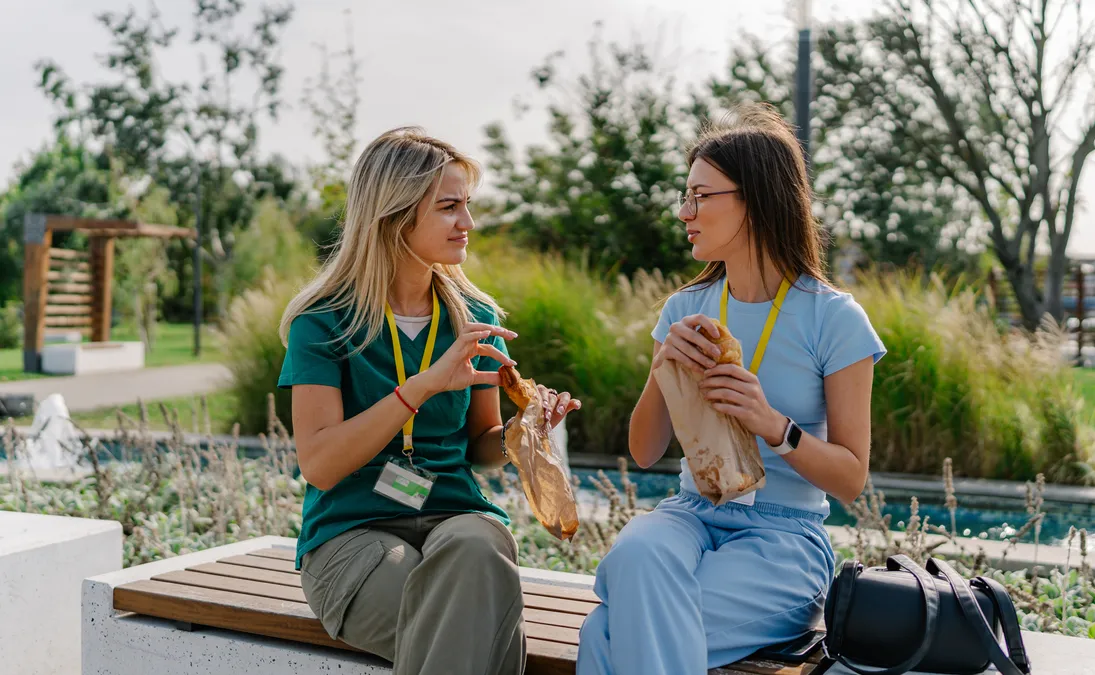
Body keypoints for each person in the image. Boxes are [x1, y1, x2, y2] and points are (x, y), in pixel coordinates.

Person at [576, 104, 886, 674]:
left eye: (700, 196)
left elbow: (851, 478)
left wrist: (774, 425)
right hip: (688, 514)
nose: (683, 211)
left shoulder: (834, 320)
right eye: (685, 196)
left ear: (757, 199)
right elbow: (644, 452)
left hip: (782, 540)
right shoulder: (683, 309)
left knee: (608, 630)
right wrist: (663, 369)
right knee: (637, 549)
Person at [277, 128, 581, 675]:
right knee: (472, 617)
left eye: (467, 205)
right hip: (352, 536)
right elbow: (320, 465)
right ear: (395, 217)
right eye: (449, 207)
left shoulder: (476, 317)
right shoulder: (321, 322)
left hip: (454, 517)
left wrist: (523, 431)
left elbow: (481, 448)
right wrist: (421, 386)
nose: (467, 223)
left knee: (478, 547)